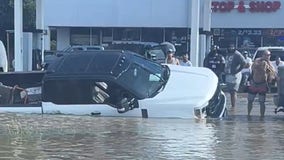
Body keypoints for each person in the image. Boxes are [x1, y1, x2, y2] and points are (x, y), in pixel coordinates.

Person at [247, 50, 276, 117]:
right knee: (250, 101)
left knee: (262, 102)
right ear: (263, 55)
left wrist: (268, 67)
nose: (267, 56)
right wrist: (262, 64)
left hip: (263, 84)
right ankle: (248, 114)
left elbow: (272, 74)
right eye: (266, 55)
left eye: (268, 55)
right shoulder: (257, 60)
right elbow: (254, 67)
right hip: (254, 83)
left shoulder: (270, 64)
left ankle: (262, 117)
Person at [224, 44, 246, 108]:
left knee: (233, 91)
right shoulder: (228, 53)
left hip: (235, 75)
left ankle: (233, 106)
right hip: (228, 74)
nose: (231, 48)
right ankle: (232, 105)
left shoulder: (237, 54)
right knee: (230, 91)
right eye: (229, 47)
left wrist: (238, 70)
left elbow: (244, 63)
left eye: (232, 47)